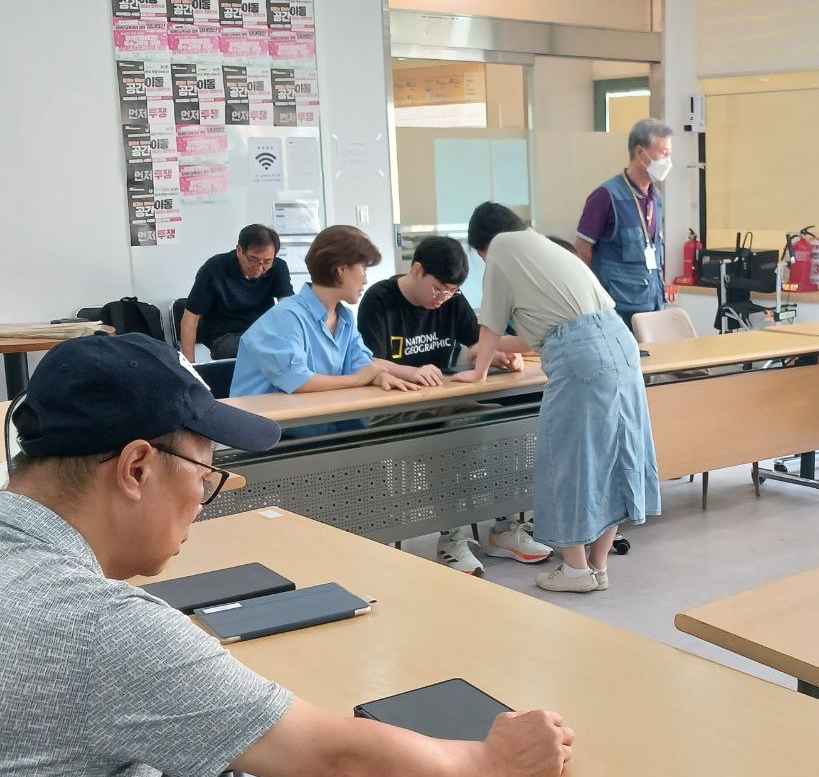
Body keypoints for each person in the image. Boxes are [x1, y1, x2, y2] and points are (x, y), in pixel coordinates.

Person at [0, 332, 574, 777]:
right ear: (136, 467)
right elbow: (331, 758)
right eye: (205, 470)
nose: (205, 495)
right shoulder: (100, 629)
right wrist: (495, 762)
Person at [455, 203, 659, 594]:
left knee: (567, 458)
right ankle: (597, 567)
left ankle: (574, 569)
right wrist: (483, 349)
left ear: (483, 245)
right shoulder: (543, 246)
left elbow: (492, 321)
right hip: (620, 343)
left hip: (582, 359)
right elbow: (545, 331)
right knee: (615, 454)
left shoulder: (501, 248)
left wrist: (479, 369)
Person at [357, 235, 551, 575]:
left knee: (503, 427)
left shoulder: (450, 302)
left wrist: (499, 356)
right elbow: (365, 362)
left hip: (444, 402)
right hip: (394, 408)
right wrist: (410, 370)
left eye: (452, 292)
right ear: (417, 270)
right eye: (438, 289)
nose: (443, 299)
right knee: (449, 441)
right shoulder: (379, 299)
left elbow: (476, 344)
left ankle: (504, 530)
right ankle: (452, 538)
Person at [231, 225, 438, 422]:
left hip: (319, 426)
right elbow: (299, 381)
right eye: (363, 269)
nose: (365, 280)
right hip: (272, 438)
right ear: (340, 269)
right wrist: (360, 379)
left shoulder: (345, 317)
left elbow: (362, 363)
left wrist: (379, 376)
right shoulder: (285, 317)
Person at [574, 118, 677, 329]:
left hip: (652, 304)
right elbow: (581, 251)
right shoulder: (605, 196)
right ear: (640, 153)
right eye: (663, 153)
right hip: (617, 309)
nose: (668, 160)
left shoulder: (655, 197)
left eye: (669, 153)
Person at [183, 224, 294, 362]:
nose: (260, 268)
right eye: (253, 260)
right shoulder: (214, 268)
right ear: (239, 250)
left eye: (267, 261)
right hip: (224, 337)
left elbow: (288, 307)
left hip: (262, 333)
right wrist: (190, 368)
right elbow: (190, 319)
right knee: (258, 348)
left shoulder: (278, 267)